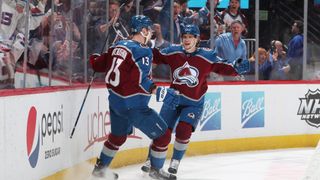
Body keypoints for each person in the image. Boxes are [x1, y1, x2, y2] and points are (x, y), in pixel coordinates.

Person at [141, 24, 249, 178]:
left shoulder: (207, 55)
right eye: (184, 37)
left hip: (194, 101)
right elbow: (156, 56)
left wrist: (236, 67)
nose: (187, 40)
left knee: (184, 130)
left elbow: (222, 66)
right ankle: (151, 160)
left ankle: (175, 161)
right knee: (162, 132)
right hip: (173, 98)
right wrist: (140, 47)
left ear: (197, 39)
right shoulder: (173, 51)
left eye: (190, 37)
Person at [89, 15, 180, 180]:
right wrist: (157, 91)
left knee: (117, 137)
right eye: (149, 29)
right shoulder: (142, 50)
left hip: (116, 103)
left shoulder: (116, 45)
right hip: (135, 105)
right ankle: (155, 170)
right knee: (163, 136)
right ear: (143, 30)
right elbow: (141, 79)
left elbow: (97, 64)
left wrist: (95, 54)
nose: (151, 32)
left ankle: (100, 169)